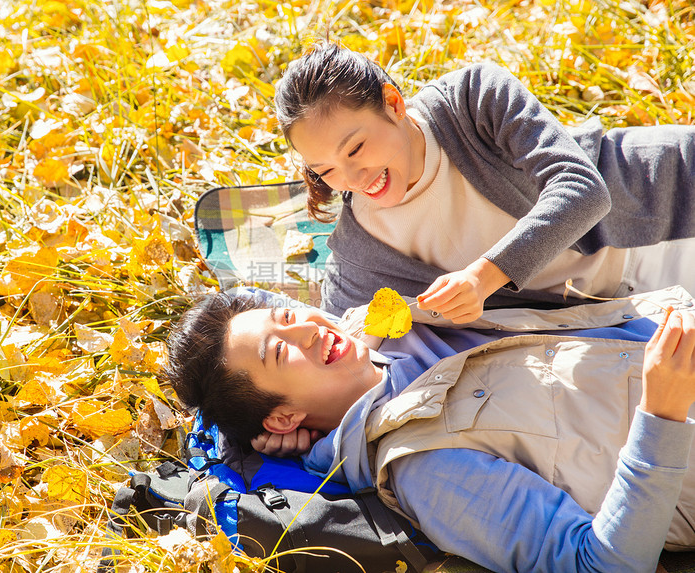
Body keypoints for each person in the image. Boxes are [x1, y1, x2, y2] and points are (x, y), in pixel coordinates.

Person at [163, 287, 695, 572]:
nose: (308, 327)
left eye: (285, 318)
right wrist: (661, 416)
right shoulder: (425, 467)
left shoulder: (384, 323)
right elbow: (602, 565)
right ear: (281, 418)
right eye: (281, 351)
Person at [273, 43, 695, 321]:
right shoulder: (364, 254)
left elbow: (581, 189)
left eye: (355, 148)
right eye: (325, 170)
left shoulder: (472, 98)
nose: (352, 179)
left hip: (667, 210)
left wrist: (485, 276)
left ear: (393, 103)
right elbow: (338, 336)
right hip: (623, 315)